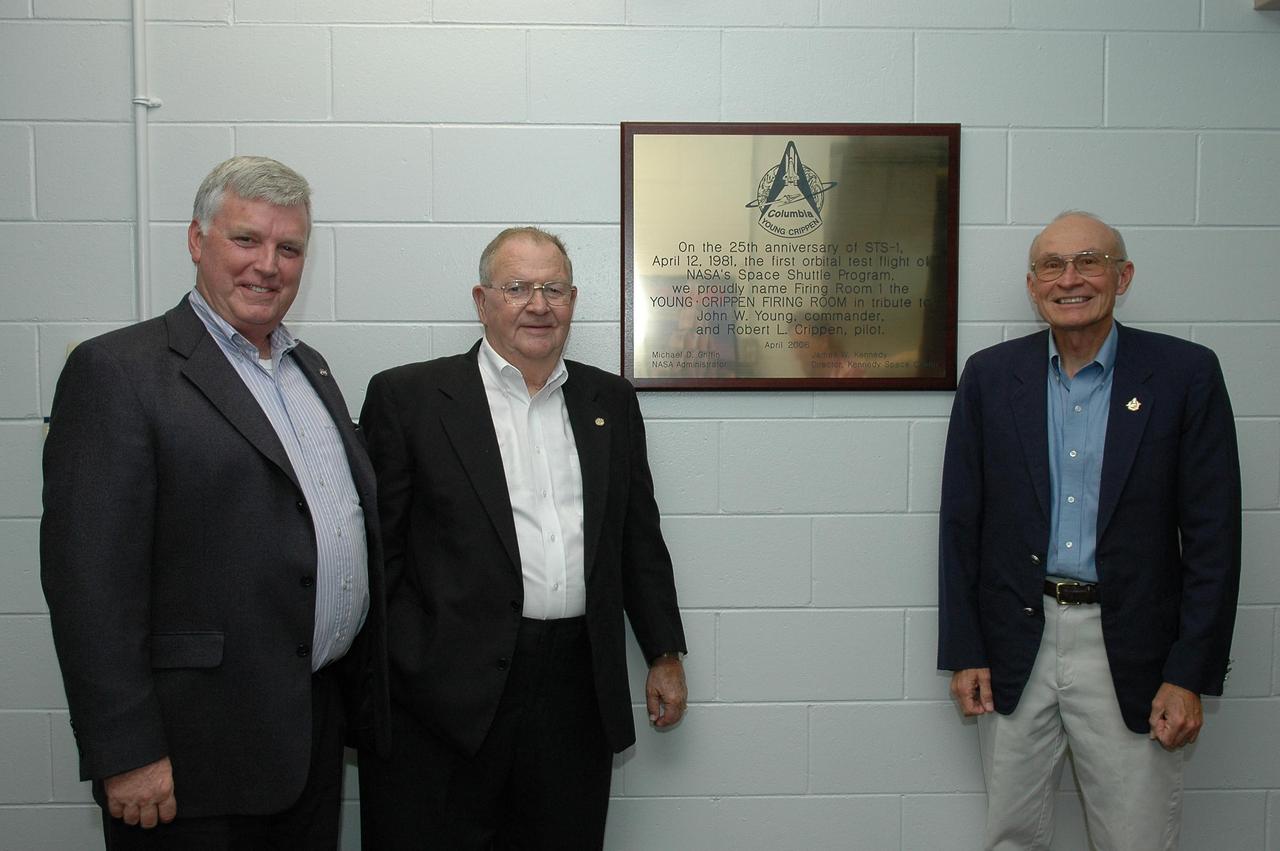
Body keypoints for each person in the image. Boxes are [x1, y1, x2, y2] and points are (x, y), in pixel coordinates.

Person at [40, 155, 389, 848]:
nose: (269, 264)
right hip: (190, 757)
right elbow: (88, 582)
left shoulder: (307, 369)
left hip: (308, 732)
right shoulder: (120, 372)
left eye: (289, 248)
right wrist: (125, 750)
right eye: (246, 240)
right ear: (197, 242)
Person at [357, 226, 688, 849]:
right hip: (443, 697)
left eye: (553, 289)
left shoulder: (608, 400)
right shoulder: (409, 398)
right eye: (517, 288)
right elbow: (378, 555)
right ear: (482, 302)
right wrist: (406, 667)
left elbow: (637, 537)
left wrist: (664, 652)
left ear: (573, 301)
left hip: (573, 692)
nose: (539, 304)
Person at [937, 211, 1241, 850]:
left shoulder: (1185, 375)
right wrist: (965, 649)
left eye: (1089, 262)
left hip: (1134, 649)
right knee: (1011, 835)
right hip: (1017, 642)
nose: (1069, 279)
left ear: (1122, 275)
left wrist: (1189, 673)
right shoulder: (991, 377)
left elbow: (1215, 539)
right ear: (1032, 284)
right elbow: (961, 525)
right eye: (1052, 265)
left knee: (1134, 837)